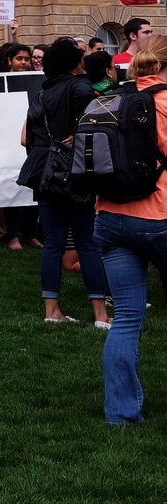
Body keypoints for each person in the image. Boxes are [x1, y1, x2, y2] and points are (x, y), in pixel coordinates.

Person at [95, 34, 167, 423]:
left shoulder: (111, 96)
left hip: (109, 215)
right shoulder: (164, 103)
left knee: (125, 317)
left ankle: (121, 414)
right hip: (158, 215)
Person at [23, 37, 111, 329]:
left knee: (52, 244)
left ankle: (52, 311)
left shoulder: (40, 94)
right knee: (87, 243)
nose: (85, 60)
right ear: (73, 62)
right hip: (77, 173)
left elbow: (29, 139)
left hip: (46, 175)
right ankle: (100, 314)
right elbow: (99, 124)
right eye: (81, 55)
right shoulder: (81, 87)